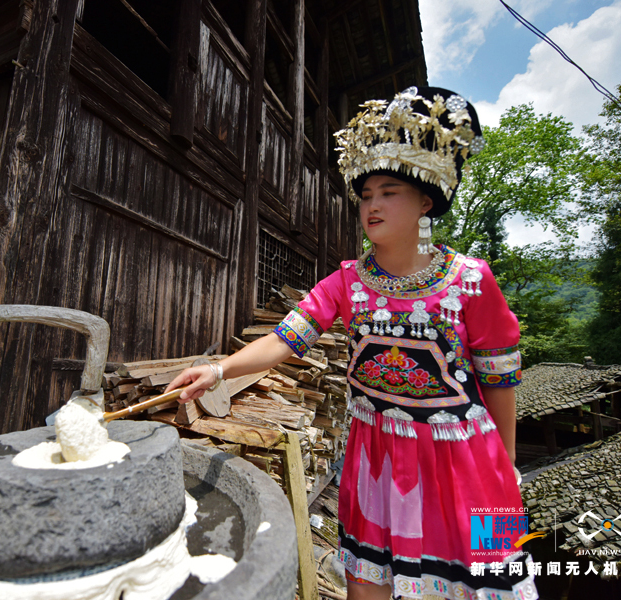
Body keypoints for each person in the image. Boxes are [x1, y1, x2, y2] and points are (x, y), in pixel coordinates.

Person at [165, 87, 536, 600]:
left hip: (465, 467)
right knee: (367, 586)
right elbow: (284, 338)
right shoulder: (346, 283)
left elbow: (499, 382)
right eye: (365, 196)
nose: (372, 206)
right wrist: (219, 371)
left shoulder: (471, 280)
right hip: (376, 458)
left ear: (426, 200)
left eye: (389, 192)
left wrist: (508, 464)